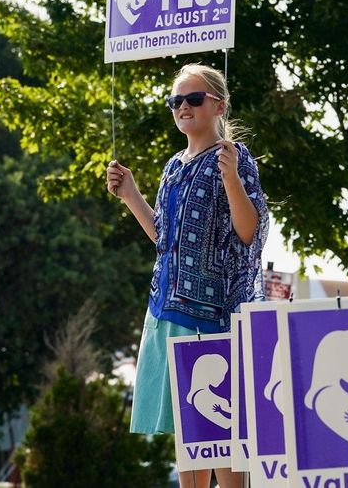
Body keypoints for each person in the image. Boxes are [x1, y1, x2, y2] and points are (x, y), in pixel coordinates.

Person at [106, 63, 269, 488]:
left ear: (218, 105)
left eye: (193, 99)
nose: (183, 107)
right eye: (176, 101)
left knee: (218, 434)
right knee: (186, 436)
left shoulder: (234, 158)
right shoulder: (173, 166)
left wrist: (231, 177)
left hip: (211, 316)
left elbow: (248, 231)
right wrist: (131, 195)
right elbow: (165, 237)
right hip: (164, 309)